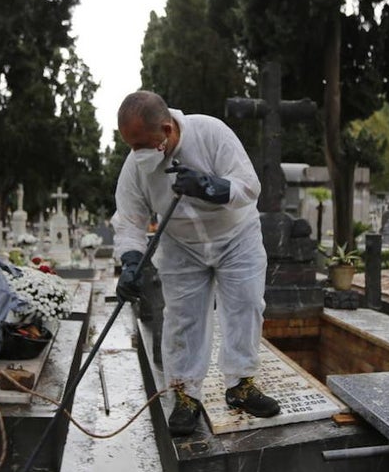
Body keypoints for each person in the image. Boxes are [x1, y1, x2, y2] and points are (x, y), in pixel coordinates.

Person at [111, 91, 280, 436]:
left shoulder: (210, 133)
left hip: (236, 236)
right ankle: (186, 393)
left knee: (246, 305)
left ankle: (240, 385)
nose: (137, 153)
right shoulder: (136, 167)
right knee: (182, 317)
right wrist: (130, 262)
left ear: (167, 129)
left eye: (142, 144)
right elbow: (130, 220)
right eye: (131, 145)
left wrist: (208, 185)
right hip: (181, 244)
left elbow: (249, 187)